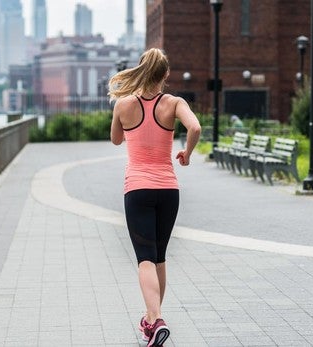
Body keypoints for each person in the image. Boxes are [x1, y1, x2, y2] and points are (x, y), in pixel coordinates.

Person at [108, 48, 201, 347]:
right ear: (166, 74)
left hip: (137, 189)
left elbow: (116, 139)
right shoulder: (174, 103)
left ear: (142, 71)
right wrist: (187, 153)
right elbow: (195, 127)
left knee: (145, 258)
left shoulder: (124, 104)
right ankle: (151, 320)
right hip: (168, 189)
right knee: (160, 257)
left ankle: (156, 320)